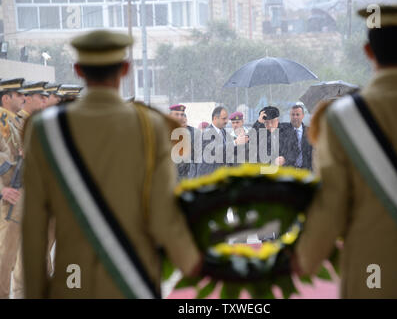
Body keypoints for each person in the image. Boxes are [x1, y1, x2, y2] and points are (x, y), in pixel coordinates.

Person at [22, 30, 201, 298]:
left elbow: (33, 223)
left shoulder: (44, 129)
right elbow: (164, 216)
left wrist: (35, 291)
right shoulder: (151, 126)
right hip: (132, 278)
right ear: (126, 69)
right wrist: (195, 263)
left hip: (72, 279)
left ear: (78, 70)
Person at [293, 5, 397, 298]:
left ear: (367, 51)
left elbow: (331, 205)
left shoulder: (340, 118)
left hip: (369, 275)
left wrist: (304, 258)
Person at [0, 78, 25, 298]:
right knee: (4, 258)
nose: (23, 98)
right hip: (7, 198)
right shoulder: (2, 121)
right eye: (18, 95)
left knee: (12, 256)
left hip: (16, 195)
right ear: (6, 98)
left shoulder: (13, 121)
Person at [197, 106, 247, 176]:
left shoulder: (224, 133)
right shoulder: (207, 133)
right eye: (223, 119)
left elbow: (229, 152)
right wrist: (235, 142)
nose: (226, 121)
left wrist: (242, 144)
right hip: (208, 176)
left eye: (226, 119)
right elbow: (215, 150)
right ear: (215, 118)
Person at [286, 102, 312, 170]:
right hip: (289, 170)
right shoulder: (284, 131)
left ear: (303, 116)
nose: (295, 117)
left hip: (306, 170)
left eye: (297, 114)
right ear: (290, 116)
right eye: (293, 114)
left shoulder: (310, 132)